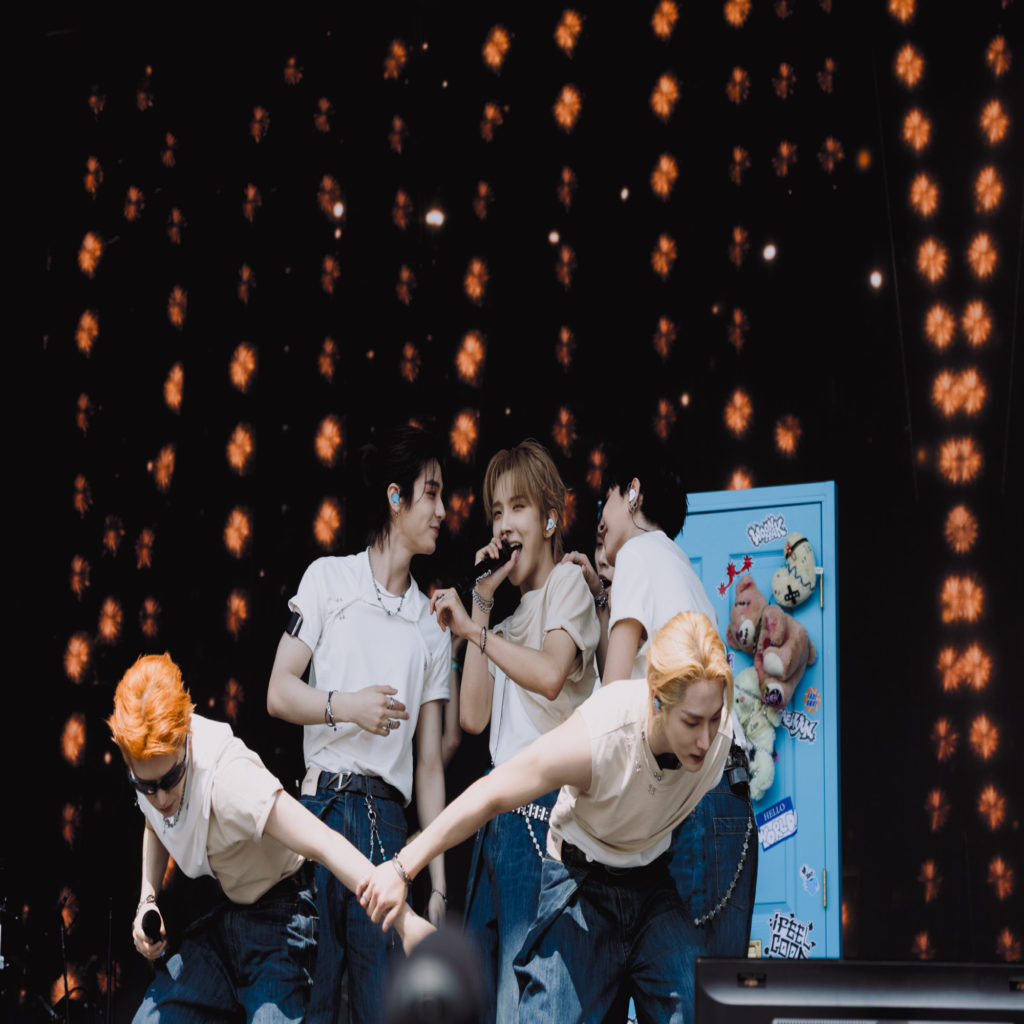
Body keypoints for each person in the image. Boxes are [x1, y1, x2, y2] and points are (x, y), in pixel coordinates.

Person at [358, 611, 733, 1022]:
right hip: (581, 884)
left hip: (651, 884)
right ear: (657, 698)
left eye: (714, 718)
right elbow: (492, 793)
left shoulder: (719, 740)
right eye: (692, 722)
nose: (705, 739)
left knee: (698, 1010)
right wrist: (402, 868)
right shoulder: (602, 735)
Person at [108, 653, 432, 1024]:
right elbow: (155, 823)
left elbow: (323, 842)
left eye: (170, 780)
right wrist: (147, 899)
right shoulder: (147, 766)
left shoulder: (232, 782)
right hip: (225, 923)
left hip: (282, 922)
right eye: (147, 786)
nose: (161, 798)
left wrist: (407, 922)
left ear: (186, 738)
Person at [266, 424, 450, 1024]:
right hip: (318, 809)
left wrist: (437, 882)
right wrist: (348, 706)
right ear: (395, 497)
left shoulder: (432, 627)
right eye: (431, 494)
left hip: (387, 827)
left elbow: (429, 764)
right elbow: (278, 691)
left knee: (383, 1008)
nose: (443, 511)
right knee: (309, 1001)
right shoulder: (328, 579)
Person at [427, 439, 599, 1024]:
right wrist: (481, 601)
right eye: (496, 512)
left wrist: (475, 633)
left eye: (518, 508)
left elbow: (550, 675)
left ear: (550, 518)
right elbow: (473, 718)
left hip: (543, 815)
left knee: (520, 1001)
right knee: (484, 997)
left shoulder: (566, 587)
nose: (503, 525)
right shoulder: (501, 622)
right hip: (498, 821)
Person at [563, 448, 757, 967]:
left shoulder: (638, 554)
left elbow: (613, 697)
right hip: (728, 799)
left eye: (606, 500)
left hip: (697, 798)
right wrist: (602, 597)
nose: (600, 520)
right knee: (715, 990)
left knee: (688, 990)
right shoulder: (677, 567)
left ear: (632, 493)